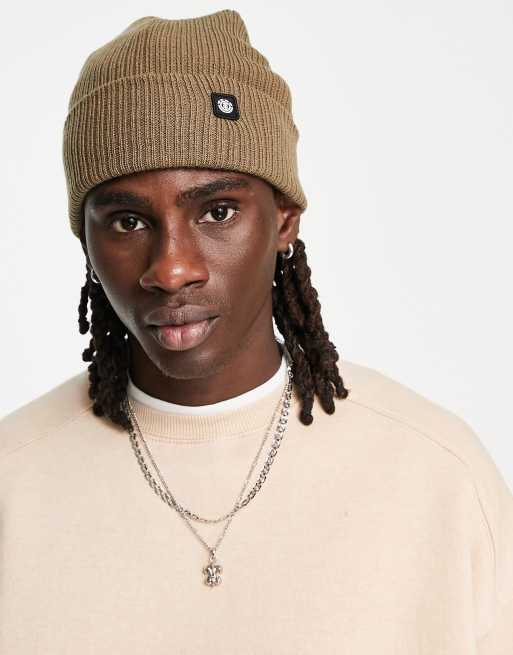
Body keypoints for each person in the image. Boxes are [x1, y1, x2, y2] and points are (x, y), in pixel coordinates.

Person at [1, 9, 512, 653]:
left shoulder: (439, 478)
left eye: (217, 211)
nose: (172, 269)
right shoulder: (13, 486)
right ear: (86, 239)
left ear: (284, 220)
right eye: (128, 222)